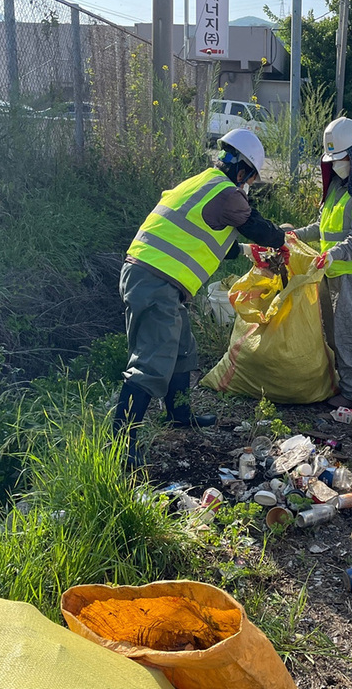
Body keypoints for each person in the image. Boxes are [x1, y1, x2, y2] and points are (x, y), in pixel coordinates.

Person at [114, 128, 286, 464]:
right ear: (243, 171)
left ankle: (178, 413)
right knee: (151, 363)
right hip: (155, 282)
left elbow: (203, 234)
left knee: (181, 348)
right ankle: (121, 444)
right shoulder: (229, 195)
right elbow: (261, 229)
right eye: (250, 177)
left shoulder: (201, 182)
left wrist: (247, 253)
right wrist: (281, 238)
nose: (247, 183)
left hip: (152, 277)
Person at [290, 117, 352, 409]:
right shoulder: (338, 186)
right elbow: (322, 227)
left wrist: (334, 253)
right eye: (333, 159)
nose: (337, 164)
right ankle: (341, 381)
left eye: (342, 158)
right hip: (334, 270)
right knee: (333, 330)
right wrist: (295, 234)